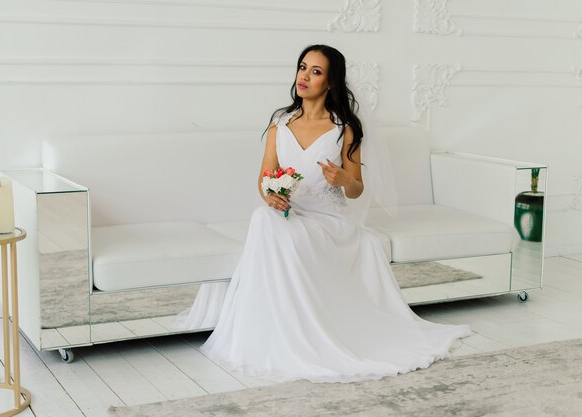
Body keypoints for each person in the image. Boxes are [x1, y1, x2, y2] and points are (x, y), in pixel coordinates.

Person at [200, 44, 472, 383]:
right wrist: (273, 197)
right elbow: (265, 179)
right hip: (290, 212)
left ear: (330, 83)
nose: (304, 76)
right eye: (302, 67)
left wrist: (344, 178)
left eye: (316, 71)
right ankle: (277, 327)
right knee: (262, 219)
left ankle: (304, 335)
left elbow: (356, 187)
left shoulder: (345, 128)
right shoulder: (279, 124)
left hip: (329, 221)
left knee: (274, 230)